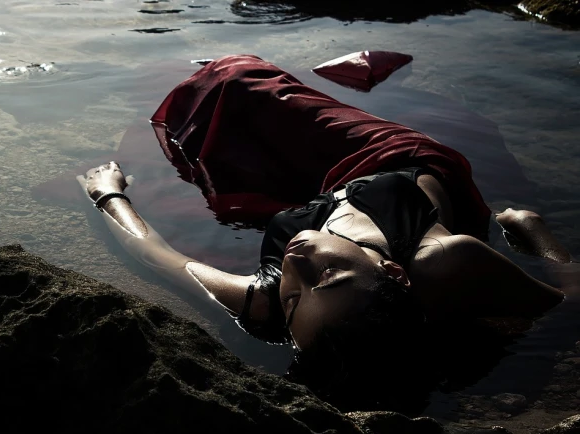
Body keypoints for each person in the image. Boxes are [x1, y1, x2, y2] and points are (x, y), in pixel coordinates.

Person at [78, 55, 575, 393]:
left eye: (294, 298)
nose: (297, 265)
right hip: (389, 159)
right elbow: (568, 301)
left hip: (313, 195)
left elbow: (154, 254)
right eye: (328, 277)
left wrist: (108, 194)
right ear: (395, 275)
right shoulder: (442, 259)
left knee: (218, 103)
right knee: (236, 79)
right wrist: (530, 231)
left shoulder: (266, 300)